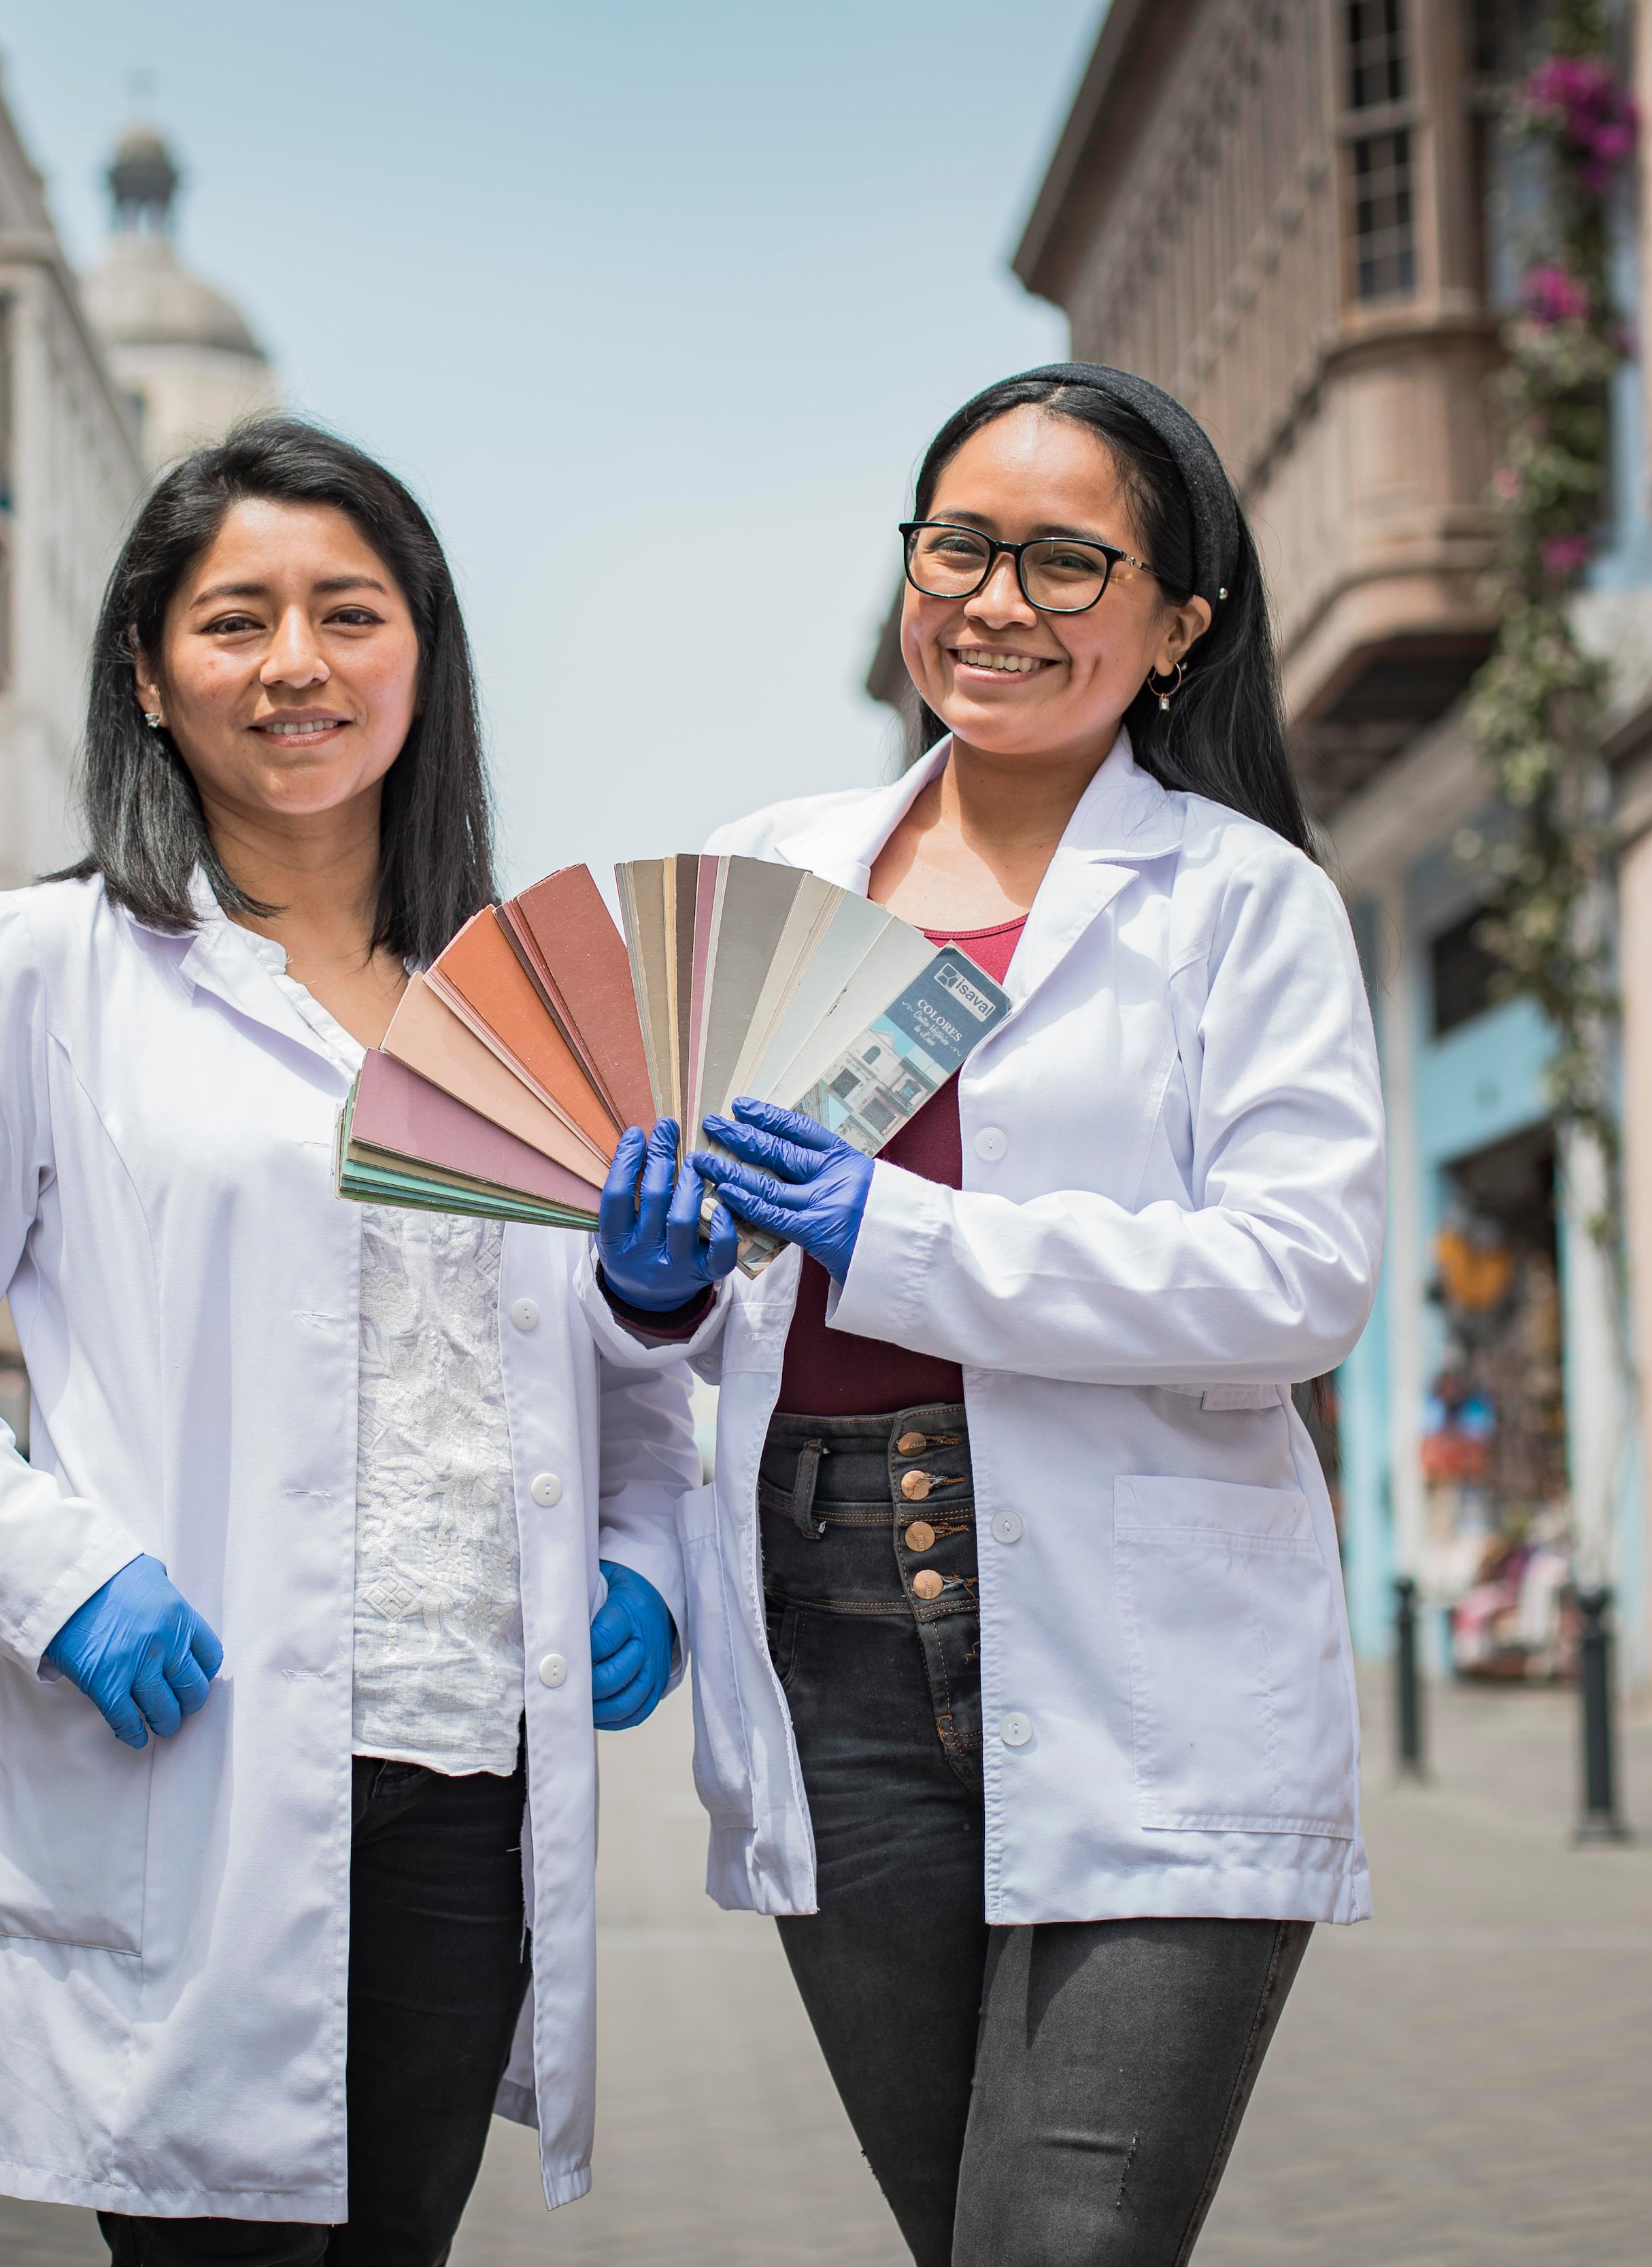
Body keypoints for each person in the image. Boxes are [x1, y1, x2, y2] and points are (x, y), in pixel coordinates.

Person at [0, 421, 698, 2265]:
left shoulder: (526, 1001)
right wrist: (59, 1575)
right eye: (236, 618)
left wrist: (643, 1534)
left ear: (421, 655)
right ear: (149, 666)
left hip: (468, 1774)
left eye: (349, 612)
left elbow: (627, 1395)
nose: (297, 662)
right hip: (200, 1758)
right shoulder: (46, 965)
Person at [592, 365, 1383, 2267]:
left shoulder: (1239, 903)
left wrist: (906, 1230)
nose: (996, 598)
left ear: (1179, 622)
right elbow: (682, 1325)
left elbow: (1302, 1276)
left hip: (1145, 1649)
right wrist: (650, 1283)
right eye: (959, 543)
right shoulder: (772, 868)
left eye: (1063, 558)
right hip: (830, 1634)